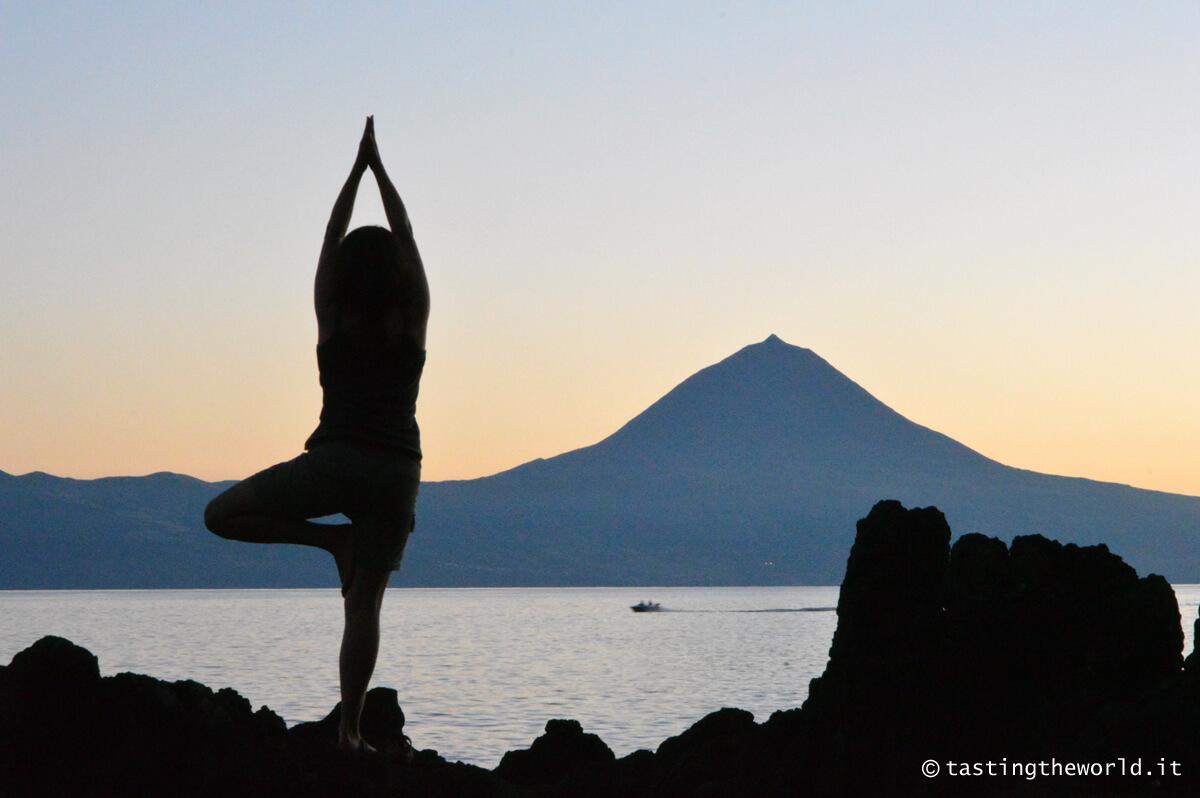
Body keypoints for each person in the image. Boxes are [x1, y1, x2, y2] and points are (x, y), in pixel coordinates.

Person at [204, 116, 429, 756]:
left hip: (333, 462)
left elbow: (331, 237)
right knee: (365, 609)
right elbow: (406, 235)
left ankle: (331, 541)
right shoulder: (410, 325)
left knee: (220, 515)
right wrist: (380, 170)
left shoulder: (333, 323)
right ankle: (350, 734)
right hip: (396, 472)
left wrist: (354, 171)